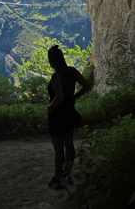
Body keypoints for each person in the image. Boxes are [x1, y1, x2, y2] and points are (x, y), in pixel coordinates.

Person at [47, 44, 90, 189]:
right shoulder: (72, 71)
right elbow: (86, 85)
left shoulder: (56, 76)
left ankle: (57, 178)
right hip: (69, 112)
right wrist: (75, 97)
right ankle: (67, 175)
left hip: (57, 115)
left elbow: (59, 97)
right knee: (69, 145)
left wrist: (49, 107)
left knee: (58, 149)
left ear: (52, 61)